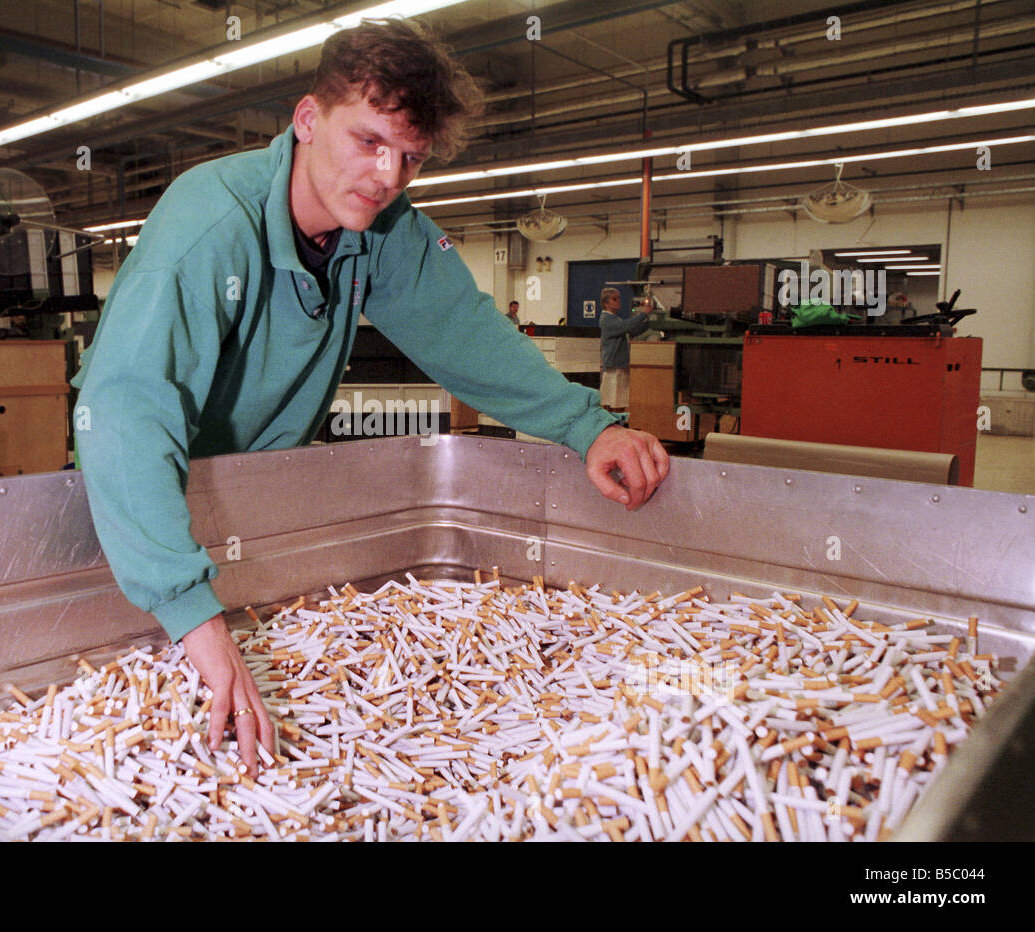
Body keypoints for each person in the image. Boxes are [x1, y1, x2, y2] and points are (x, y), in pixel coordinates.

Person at [72, 19, 671, 773]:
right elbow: (126, 414)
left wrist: (589, 427)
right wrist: (195, 617)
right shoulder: (210, 223)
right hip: (143, 525)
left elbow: (468, 337)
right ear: (308, 119)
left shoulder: (383, 232)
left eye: (409, 157)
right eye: (368, 142)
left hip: (248, 508)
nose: (387, 175)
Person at [598, 286, 650, 412]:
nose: (618, 301)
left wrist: (650, 323)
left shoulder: (615, 319)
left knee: (619, 401)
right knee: (611, 401)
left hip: (620, 365)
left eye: (619, 298)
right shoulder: (607, 320)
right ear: (606, 302)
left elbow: (632, 329)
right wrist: (643, 314)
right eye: (614, 299)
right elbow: (626, 326)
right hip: (613, 366)